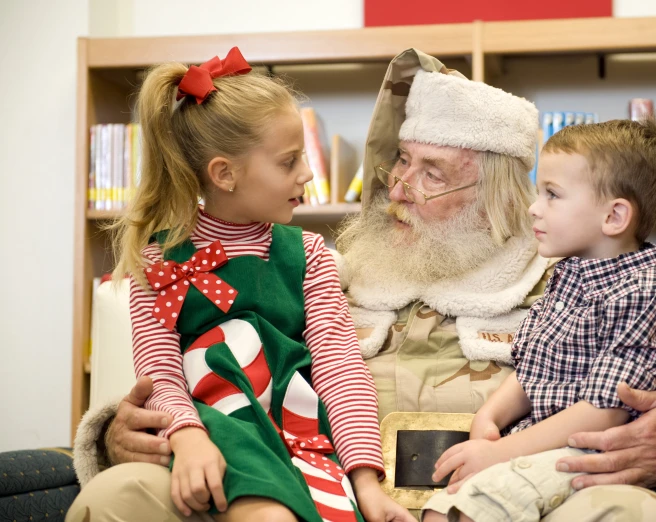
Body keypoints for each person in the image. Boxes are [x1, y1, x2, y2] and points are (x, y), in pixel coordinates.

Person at [68, 49, 656, 522]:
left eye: (430, 172)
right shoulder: (324, 270)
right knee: (120, 496)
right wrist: (127, 431)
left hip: (510, 502)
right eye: (400, 165)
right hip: (307, 494)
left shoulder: (578, 282)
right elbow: (186, 358)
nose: (399, 190)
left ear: (500, 193)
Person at [73, 46, 412, 522]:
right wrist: (187, 438)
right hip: (214, 434)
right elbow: (161, 375)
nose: (308, 173)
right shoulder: (157, 262)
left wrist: (366, 479)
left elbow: (340, 371)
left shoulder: (309, 255)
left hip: (298, 434)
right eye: (288, 161)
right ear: (224, 174)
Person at [421, 118, 656, 521]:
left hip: (593, 451)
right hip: (541, 446)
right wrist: (490, 417)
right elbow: (533, 369)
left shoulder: (644, 289)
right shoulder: (567, 276)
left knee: (467, 512)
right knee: (440, 510)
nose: (534, 208)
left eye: (552, 194)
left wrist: (499, 452)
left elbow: (605, 410)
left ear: (614, 217)